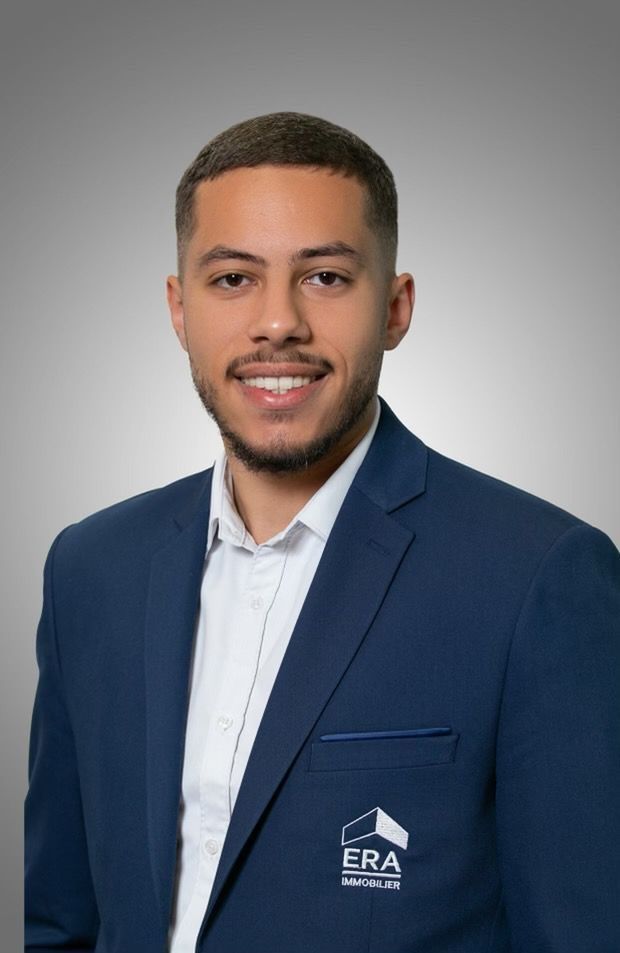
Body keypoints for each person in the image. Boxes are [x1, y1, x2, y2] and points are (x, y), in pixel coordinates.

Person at [24, 112, 620, 953]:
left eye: (327, 277)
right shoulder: (91, 570)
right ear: (179, 309)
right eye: (233, 278)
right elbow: (61, 922)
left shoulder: (538, 578)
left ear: (395, 308)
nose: (278, 322)